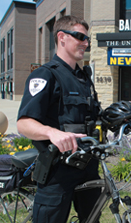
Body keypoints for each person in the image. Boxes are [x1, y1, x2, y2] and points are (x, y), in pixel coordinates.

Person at [17, 15, 101, 223]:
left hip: (88, 166)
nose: (86, 43)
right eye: (80, 37)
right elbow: (23, 123)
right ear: (62, 37)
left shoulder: (84, 78)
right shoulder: (46, 75)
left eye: (87, 38)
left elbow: (92, 117)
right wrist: (51, 132)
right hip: (58, 171)